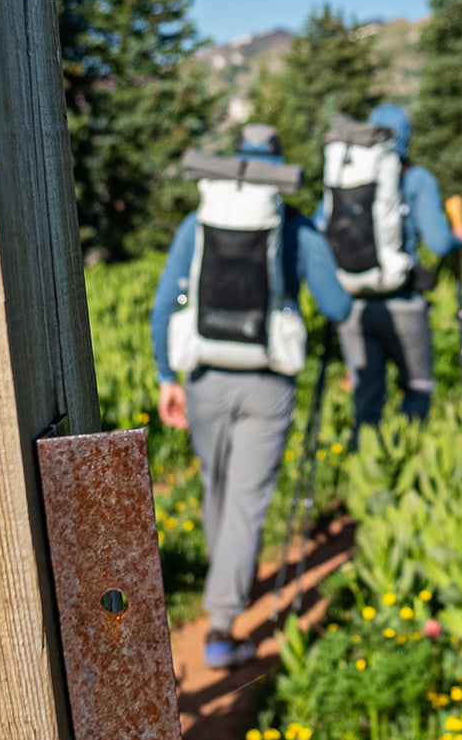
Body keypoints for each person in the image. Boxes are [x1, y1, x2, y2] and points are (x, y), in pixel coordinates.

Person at [151, 126, 352, 670]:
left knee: (218, 487)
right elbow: (335, 306)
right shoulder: (295, 228)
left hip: (206, 378)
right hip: (268, 384)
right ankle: (221, 627)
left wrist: (167, 376)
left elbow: (164, 304)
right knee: (246, 498)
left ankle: (225, 584)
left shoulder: (199, 224)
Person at [315, 103, 462, 440]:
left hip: (353, 305)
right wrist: (460, 238)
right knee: (417, 388)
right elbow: (440, 244)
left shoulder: (347, 176)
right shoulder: (416, 179)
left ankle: (365, 473)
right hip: (402, 302)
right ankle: (407, 464)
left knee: (367, 398)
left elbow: (320, 227)